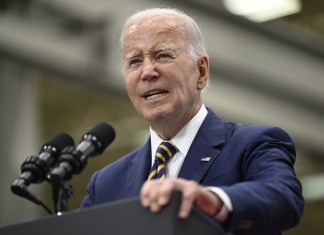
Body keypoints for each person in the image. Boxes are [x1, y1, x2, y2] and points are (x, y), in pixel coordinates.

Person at [80, 7, 304, 234]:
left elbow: (284, 197)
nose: (148, 71)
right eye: (135, 61)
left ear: (201, 71)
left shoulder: (253, 144)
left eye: (163, 55)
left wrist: (214, 200)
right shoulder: (106, 183)